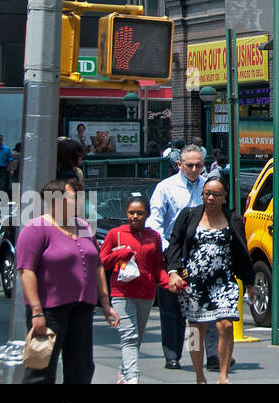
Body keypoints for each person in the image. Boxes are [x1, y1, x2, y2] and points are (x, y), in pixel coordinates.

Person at [16, 179, 119, 384]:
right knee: (41, 369)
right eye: (74, 196)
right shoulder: (36, 228)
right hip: (49, 310)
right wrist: (37, 311)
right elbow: (26, 271)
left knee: (81, 368)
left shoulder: (83, 226)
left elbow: (97, 265)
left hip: (82, 307)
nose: (80, 200)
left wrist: (106, 304)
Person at [164, 176, 256, 384]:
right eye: (207, 194)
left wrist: (250, 283)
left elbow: (242, 252)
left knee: (226, 325)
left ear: (224, 197)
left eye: (216, 194)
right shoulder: (189, 215)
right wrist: (173, 272)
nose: (211, 198)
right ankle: (199, 376)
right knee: (196, 330)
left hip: (224, 281)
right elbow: (175, 244)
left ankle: (223, 375)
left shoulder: (233, 220)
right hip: (195, 283)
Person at [100, 194, 183, 383]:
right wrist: (120, 254)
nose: (135, 217)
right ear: (126, 213)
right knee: (129, 336)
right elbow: (102, 262)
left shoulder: (154, 236)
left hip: (146, 294)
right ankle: (132, 377)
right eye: (131, 213)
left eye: (139, 213)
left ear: (147, 214)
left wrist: (170, 283)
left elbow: (157, 267)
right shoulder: (115, 234)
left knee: (136, 337)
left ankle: (124, 371)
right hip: (122, 293)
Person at [149, 144, 212, 370]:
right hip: (172, 253)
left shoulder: (208, 186)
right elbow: (154, 223)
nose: (194, 169)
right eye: (190, 165)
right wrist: (168, 251)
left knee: (200, 310)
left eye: (199, 165)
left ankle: (205, 355)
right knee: (171, 310)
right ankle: (172, 355)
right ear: (179, 165)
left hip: (202, 254)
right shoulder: (165, 188)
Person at [0, 133, 12, 197]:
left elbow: (10, 160)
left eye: (0, 140)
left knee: (2, 185)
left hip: (3, 169)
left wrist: (11, 170)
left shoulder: (7, 149)